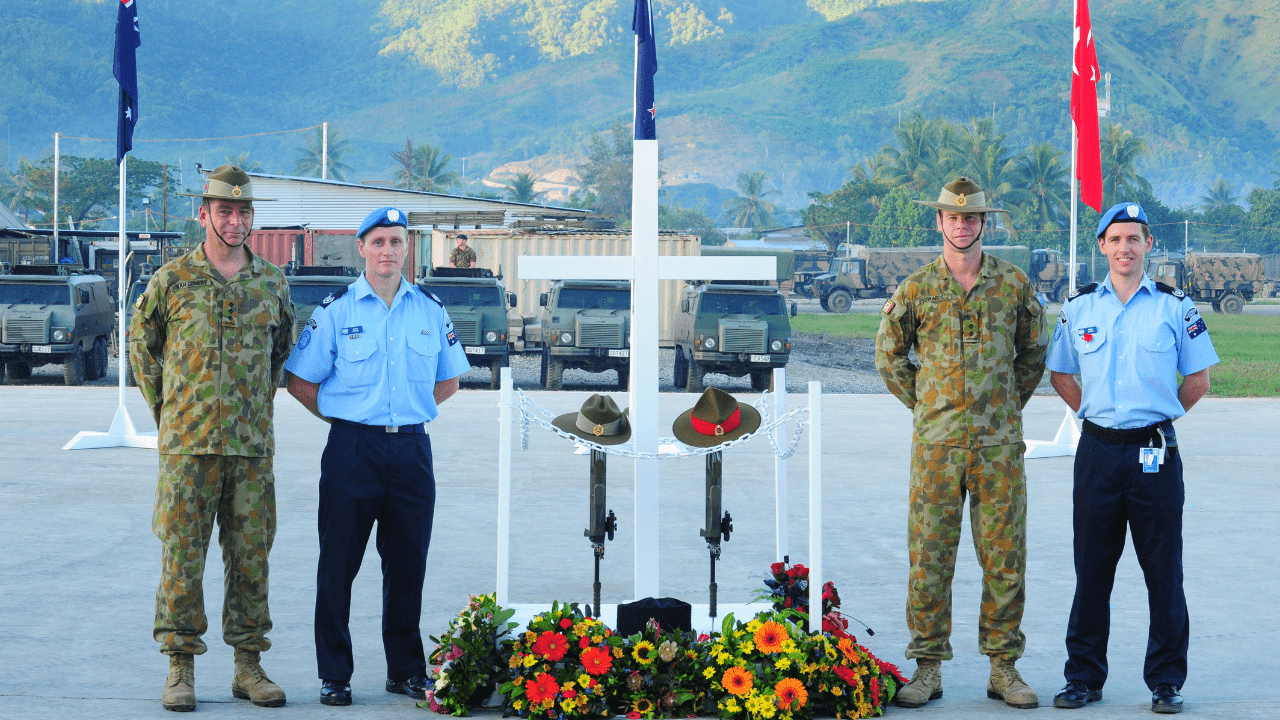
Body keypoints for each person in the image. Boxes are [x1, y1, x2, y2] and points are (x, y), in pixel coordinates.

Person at [284, 206, 470, 706]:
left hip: (411, 447)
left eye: (397, 241)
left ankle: (406, 669)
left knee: (408, 564)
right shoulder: (337, 310)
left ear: (408, 248)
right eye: (379, 242)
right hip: (352, 449)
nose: (388, 251)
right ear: (361, 248)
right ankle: (335, 674)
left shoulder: (430, 310)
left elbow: (449, 380)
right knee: (338, 564)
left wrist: (405, 413)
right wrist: (349, 419)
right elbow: (300, 381)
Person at [875, 176, 1048, 710]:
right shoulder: (918, 287)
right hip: (937, 448)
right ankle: (927, 668)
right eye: (953, 217)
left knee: (1004, 558)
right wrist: (929, 406)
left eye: (971, 217)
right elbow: (889, 357)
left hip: (998, 447)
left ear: (982, 224)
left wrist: (1001, 409)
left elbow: (1033, 355)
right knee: (929, 557)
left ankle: (1003, 668)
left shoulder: (1013, 284)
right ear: (940, 222)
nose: (962, 224)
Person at [130, 164, 294, 711]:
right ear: (204, 215)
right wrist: (172, 413)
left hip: (250, 451)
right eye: (225, 210)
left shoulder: (271, 283)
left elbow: (280, 357)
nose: (235, 219)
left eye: (244, 211)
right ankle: (180, 669)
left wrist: (251, 410)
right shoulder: (172, 281)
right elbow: (141, 351)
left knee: (252, 558)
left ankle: (248, 667)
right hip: (187, 450)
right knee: (182, 556)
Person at [1047, 202, 1217, 715]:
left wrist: (1153, 420)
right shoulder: (1079, 308)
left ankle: (1166, 681)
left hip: (1155, 454)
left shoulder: (1176, 307)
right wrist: (1098, 417)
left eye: (1134, 239)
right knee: (1091, 571)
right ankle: (1083, 678)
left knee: (1163, 571)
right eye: (1116, 239)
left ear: (1147, 247)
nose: (1125, 248)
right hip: (1097, 453)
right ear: (1102, 246)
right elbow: (1060, 374)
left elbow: (1198, 380)